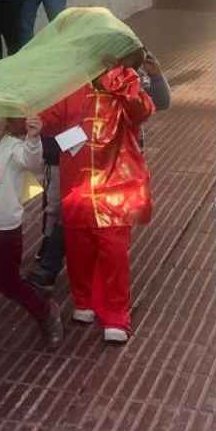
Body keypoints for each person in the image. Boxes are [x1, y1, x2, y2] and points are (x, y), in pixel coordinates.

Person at [26, 48, 170, 289]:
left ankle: (63, 268)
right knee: (66, 213)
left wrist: (155, 76)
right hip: (76, 164)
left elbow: (160, 102)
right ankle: (51, 262)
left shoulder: (131, 80)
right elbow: (52, 116)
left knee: (106, 221)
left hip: (116, 166)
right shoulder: (73, 83)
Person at [38, 49, 155, 343]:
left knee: (113, 249)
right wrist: (31, 118)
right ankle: (84, 300)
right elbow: (49, 119)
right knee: (79, 245)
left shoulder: (126, 81)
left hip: (116, 182)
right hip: (77, 185)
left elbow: (143, 111)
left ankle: (116, 314)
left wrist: (120, 82)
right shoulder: (70, 85)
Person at [0, 115, 62, 350]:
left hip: (4, 228)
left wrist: (33, 138)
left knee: (8, 282)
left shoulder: (14, 147)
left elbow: (31, 161)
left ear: (7, 122)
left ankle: (46, 312)